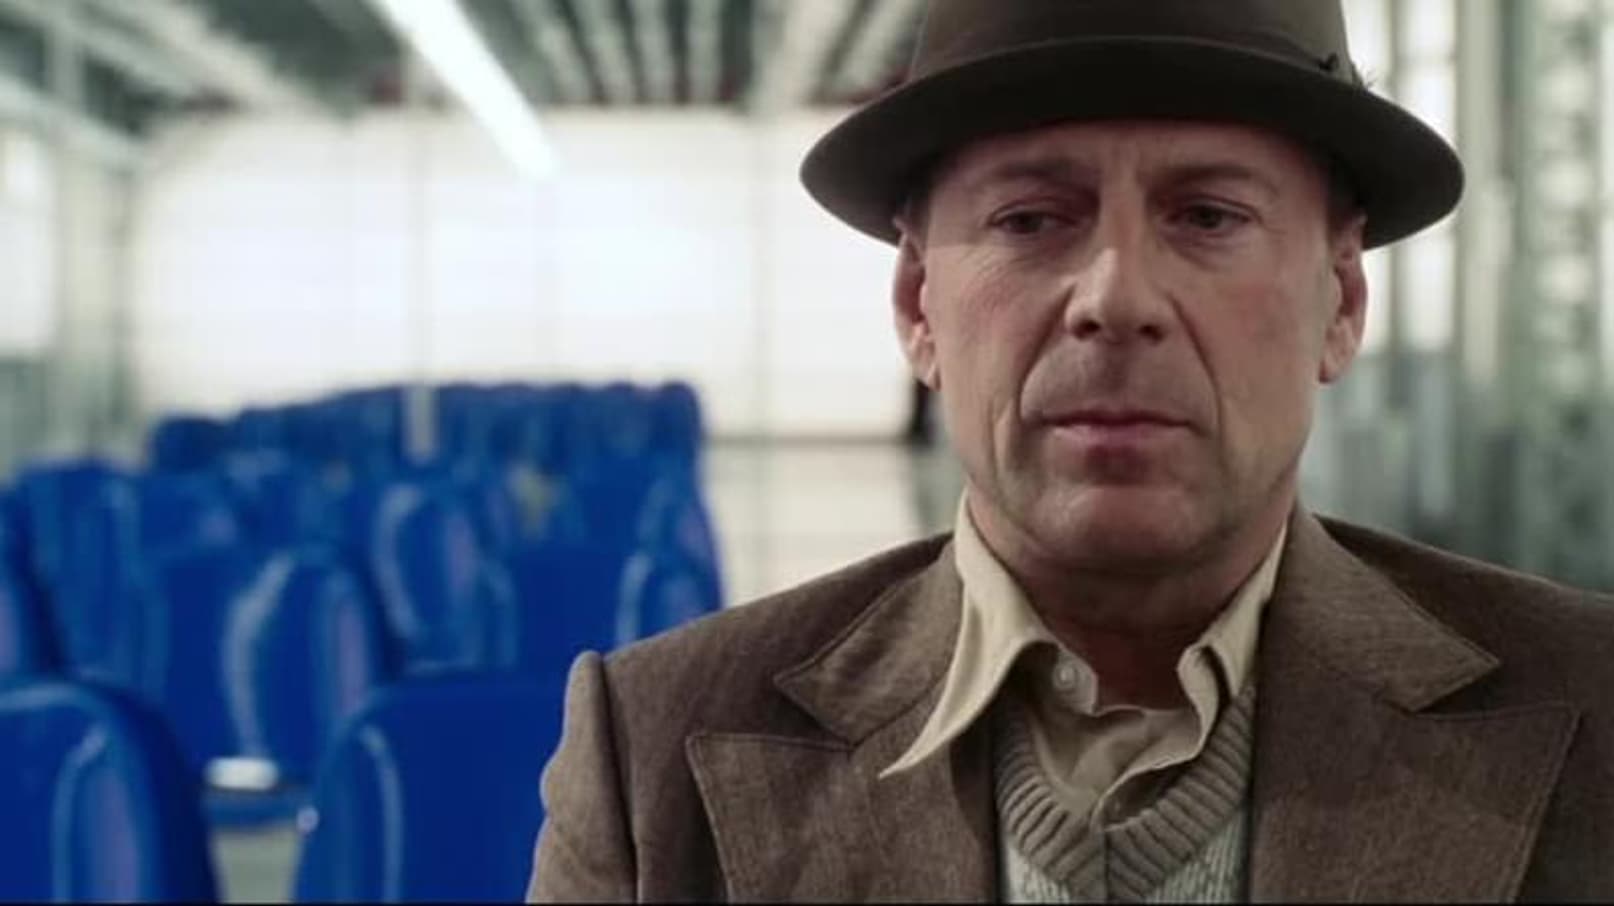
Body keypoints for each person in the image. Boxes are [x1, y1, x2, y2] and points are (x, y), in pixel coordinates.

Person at [528, 0, 1614, 900]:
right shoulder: (656, 753)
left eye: (1208, 216)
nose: (1117, 297)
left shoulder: (1594, 710)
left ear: (1342, 303)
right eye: (1031, 220)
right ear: (917, 305)